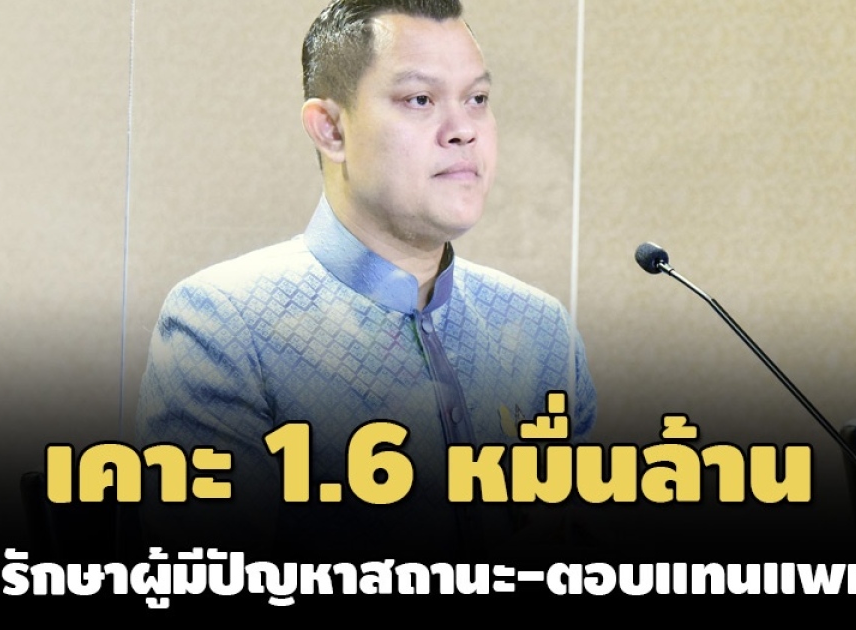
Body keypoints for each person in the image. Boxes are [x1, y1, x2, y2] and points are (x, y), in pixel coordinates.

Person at [135, 0, 596, 560]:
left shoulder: (542, 332)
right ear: (331, 128)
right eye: (420, 99)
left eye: (477, 99)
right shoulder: (224, 325)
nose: (463, 131)